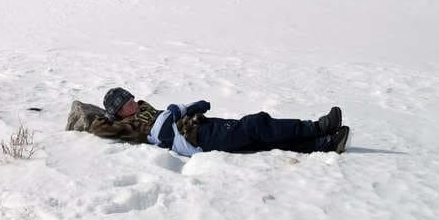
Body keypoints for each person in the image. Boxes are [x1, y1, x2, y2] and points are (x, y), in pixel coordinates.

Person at [89, 87, 349, 157]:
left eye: (131, 98)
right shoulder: (122, 126)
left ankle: (324, 144)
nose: (133, 103)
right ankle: (317, 127)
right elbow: (96, 126)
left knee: (259, 138)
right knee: (256, 125)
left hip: (199, 126)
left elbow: (169, 115)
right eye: (127, 104)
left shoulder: (143, 109)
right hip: (196, 137)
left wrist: (189, 107)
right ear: (118, 113)